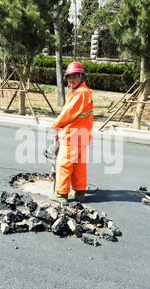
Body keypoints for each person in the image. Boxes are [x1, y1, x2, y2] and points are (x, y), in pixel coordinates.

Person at [49, 61, 94, 202]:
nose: (71, 80)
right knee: (78, 166)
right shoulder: (84, 92)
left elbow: (68, 114)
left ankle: (61, 193)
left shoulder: (80, 93)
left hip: (72, 135)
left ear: (82, 76)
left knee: (64, 163)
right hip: (82, 135)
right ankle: (80, 193)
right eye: (69, 77)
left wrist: (55, 125)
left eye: (74, 77)